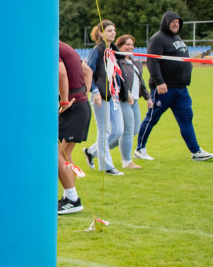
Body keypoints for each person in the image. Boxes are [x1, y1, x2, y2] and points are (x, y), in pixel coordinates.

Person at [135, 11, 213, 161]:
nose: (175, 24)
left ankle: (196, 151)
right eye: (172, 22)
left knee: (186, 119)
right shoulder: (157, 39)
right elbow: (152, 61)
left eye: (178, 22)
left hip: (181, 90)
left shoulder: (177, 38)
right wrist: (160, 82)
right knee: (152, 118)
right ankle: (140, 149)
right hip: (164, 88)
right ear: (166, 23)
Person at [83, 20, 123, 175]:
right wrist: (94, 91)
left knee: (118, 131)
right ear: (100, 33)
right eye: (109, 30)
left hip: (113, 96)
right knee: (104, 131)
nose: (113, 33)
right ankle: (107, 166)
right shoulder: (97, 51)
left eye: (114, 30)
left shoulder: (114, 50)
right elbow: (88, 71)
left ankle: (91, 152)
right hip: (100, 96)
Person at [58, 41, 93, 214]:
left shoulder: (51, 46)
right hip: (80, 106)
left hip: (74, 107)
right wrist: (82, 94)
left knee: (56, 154)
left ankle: (72, 199)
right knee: (64, 154)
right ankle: (69, 196)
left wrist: (65, 101)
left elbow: (61, 73)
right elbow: (88, 71)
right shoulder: (67, 48)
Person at [114, 34, 149, 170]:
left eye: (132, 44)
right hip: (124, 100)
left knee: (134, 130)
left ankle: (94, 151)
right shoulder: (118, 62)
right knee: (127, 131)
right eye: (127, 44)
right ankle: (127, 161)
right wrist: (126, 93)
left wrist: (148, 97)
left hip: (134, 100)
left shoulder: (134, 62)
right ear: (120, 46)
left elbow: (141, 81)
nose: (130, 47)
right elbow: (118, 81)